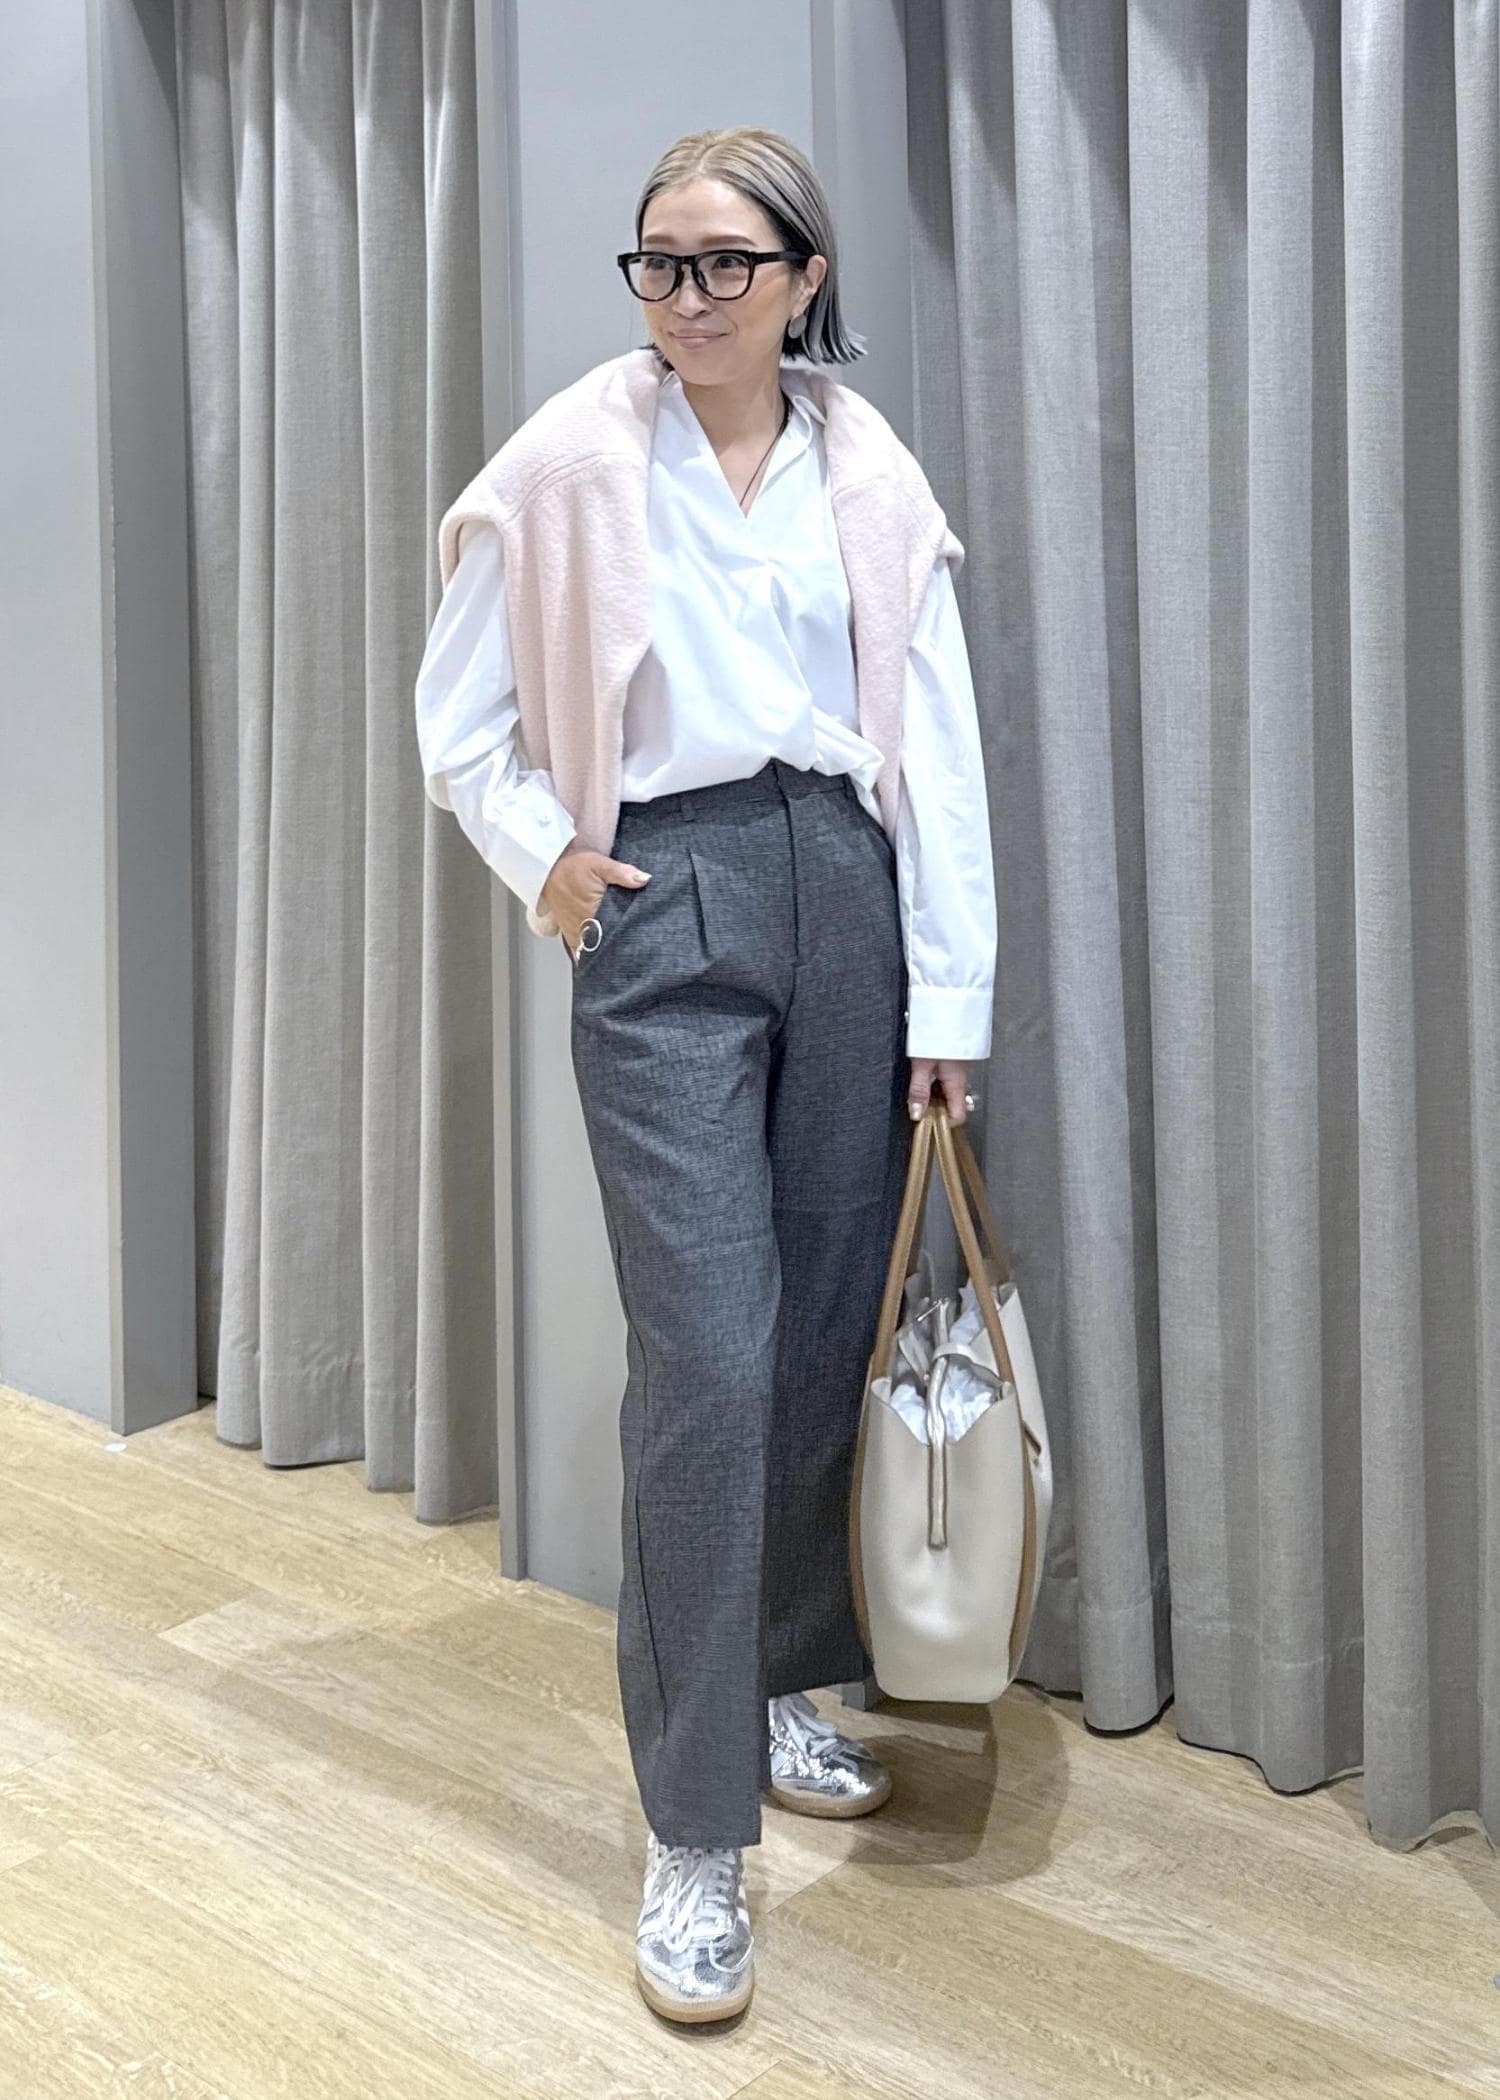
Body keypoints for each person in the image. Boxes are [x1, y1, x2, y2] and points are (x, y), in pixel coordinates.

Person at [414, 125, 996, 2025]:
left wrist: (948, 1000)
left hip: (848, 887)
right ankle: (691, 1832)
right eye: (659, 263)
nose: (688, 297)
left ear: (806, 277)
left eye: (727, 263)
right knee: (710, 1358)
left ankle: (780, 1680)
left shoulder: (867, 467)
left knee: (819, 1329)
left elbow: (934, 740)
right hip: (664, 903)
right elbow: (459, 721)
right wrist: (551, 864)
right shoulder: (574, 459)